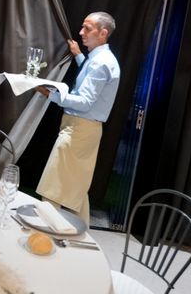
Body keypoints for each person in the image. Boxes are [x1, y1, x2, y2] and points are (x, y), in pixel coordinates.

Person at [34, 11, 120, 226]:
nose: (81, 32)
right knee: (76, 187)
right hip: (87, 129)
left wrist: (50, 94)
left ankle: (46, 233)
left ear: (103, 33)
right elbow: (89, 75)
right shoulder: (100, 59)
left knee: (54, 187)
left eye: (87, 28)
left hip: (79, 130)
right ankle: (80, 236)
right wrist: (77, 55)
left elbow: (85, 102)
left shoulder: (100, 63)